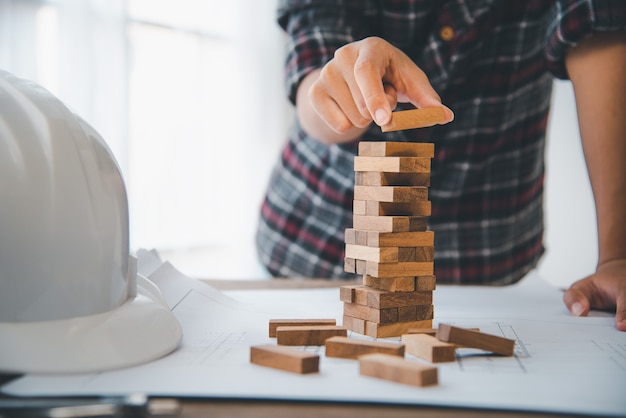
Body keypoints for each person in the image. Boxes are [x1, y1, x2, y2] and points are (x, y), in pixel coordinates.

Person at [255, 1, 626, 331]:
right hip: (316, 238)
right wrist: (342, 94)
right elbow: (313, 80)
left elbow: (601, 25)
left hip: (490, 246)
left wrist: (616, 255)